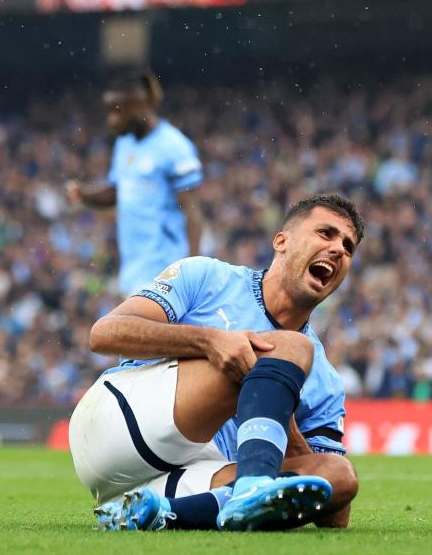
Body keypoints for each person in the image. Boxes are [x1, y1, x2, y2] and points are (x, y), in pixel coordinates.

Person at [69, 194, 363, 531]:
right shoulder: (207, 276)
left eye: (348, 247)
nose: (339, 249)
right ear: (282, 241)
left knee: (341, 474)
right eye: (326, 233)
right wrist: (209, 341)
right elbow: (104, 334)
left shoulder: (324, 381)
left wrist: (281, 407)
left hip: (190, 475)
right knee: (288, 348)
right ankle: (251, 487)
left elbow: (333, 512)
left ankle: (162, 513)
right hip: (116, 428)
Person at [66, 68, 204, 296]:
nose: (111, 119)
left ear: (139, 105)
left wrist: (195, 272)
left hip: (165, 267)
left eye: (118, 110)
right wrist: (83, 194)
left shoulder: (174, 148)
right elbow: (117, 192)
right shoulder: (125, 144)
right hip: (133, 267)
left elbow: (192, 212)